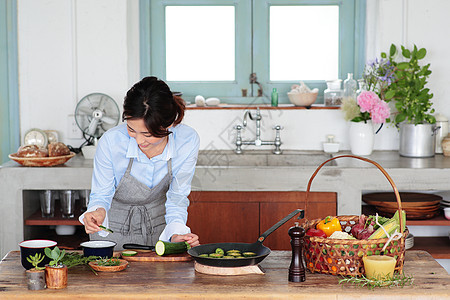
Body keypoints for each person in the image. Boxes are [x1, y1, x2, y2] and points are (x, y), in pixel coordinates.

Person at [79, 76, 200, 250]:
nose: (138, 140)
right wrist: (98, 211)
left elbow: (177, 198)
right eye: (131, 129)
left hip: (160, 229)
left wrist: (176, 232)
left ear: (168, 125)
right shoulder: (111, 142)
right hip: (110, 231)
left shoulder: (186, 140)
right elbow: (101, 194)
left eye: (148, 134)